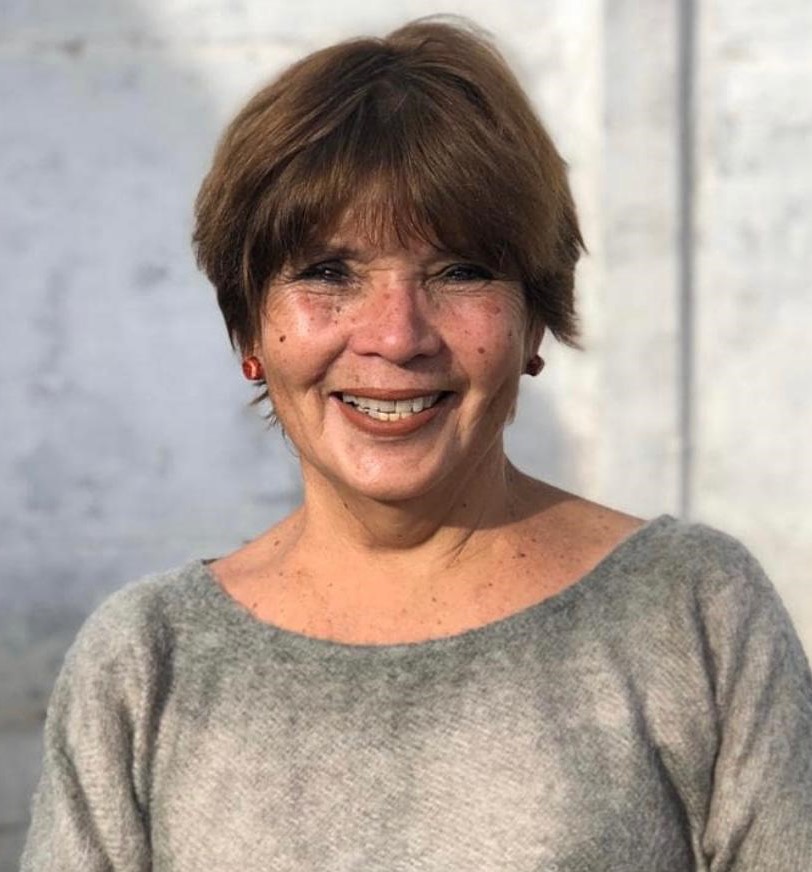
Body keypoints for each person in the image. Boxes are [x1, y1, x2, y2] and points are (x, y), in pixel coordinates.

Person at [21, 16, 812, 871]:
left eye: (459, 271)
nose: (396, 337)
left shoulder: (691, 612)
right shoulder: (146, 664)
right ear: (248, 326)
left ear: (534, 321)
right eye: (328, 273)